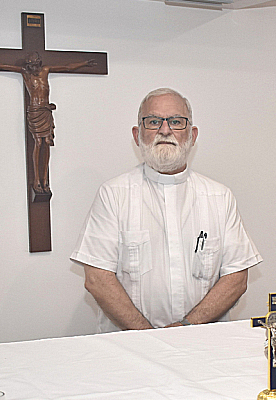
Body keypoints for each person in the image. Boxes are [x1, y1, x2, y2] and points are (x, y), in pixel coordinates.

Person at [71, 88, 262, 332]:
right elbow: (98, 280)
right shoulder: (113, 194)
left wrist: (186, 327)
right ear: (137, 134)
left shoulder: (219, 197)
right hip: (130, 347)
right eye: (153, 122)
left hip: (204, 342)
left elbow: (236, 279)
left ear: (192, 135)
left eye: (176, 121)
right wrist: (151, 338)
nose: (164, 130)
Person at [0, 52, 95, 193]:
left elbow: (67, 67)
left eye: (34, 65)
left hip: (46, 111)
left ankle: (44, 179)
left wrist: (84, 63)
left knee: (47, 142)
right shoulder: (25, 72)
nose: (32, 68)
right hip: (35, 111)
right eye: (29, 65)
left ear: (39, 63)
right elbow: (1, 66)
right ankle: (36, 180)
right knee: (38, 143)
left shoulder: (45, 70)